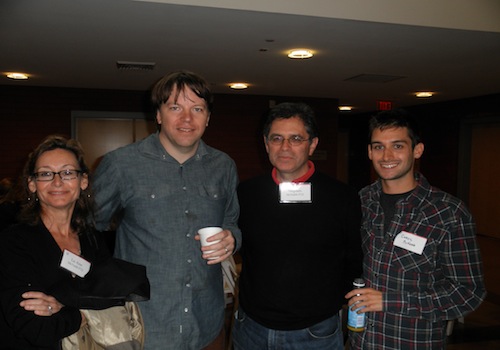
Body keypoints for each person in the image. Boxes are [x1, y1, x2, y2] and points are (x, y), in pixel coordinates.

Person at [93, 70, 242, 350]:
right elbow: (85, 228)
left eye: (197, 109)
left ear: (208, 117)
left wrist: (232, 239)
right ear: (159, 115)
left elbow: (231, 222)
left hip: (207, 325)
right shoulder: (121, 165)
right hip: (144, 327)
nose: (187, 119)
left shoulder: (224, 166)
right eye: (175, 107)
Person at [345, 109, 486, 349]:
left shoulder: (447, 212)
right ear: (369, 152)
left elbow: (468, 293)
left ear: (417, 150)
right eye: (378, 147)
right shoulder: (363, 200)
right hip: (362, 340)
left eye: (398, 146)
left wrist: (391, 301)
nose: (387, 155)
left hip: (411, 341)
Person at [232, 102, 363, 349]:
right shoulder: (247, 193)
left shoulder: (341, 197)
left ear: (312, 144)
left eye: (296, 139)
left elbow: (354, 259)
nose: (285, 147)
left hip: (314, 332)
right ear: (266, 143)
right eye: (277, 138)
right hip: (251, 327)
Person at [0, 135, 149, 349]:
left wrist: (61, 303)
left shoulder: (91, 238)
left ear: (83, 181)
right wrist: (84, 313)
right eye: (45, 174)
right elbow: (37, 328)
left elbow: (113, 294)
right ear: (32, 184)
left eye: (68, 172)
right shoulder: (14, 242)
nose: (57, 181)